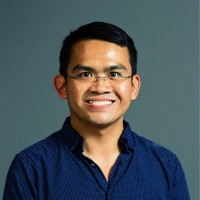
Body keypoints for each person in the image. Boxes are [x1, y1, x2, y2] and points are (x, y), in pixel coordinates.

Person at [3, 22, 190, 199]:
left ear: (133, 86)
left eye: (114, 74)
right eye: (85, 74)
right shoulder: (31, 167)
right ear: (62, 86)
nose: (100, 87)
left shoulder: (166, 165)